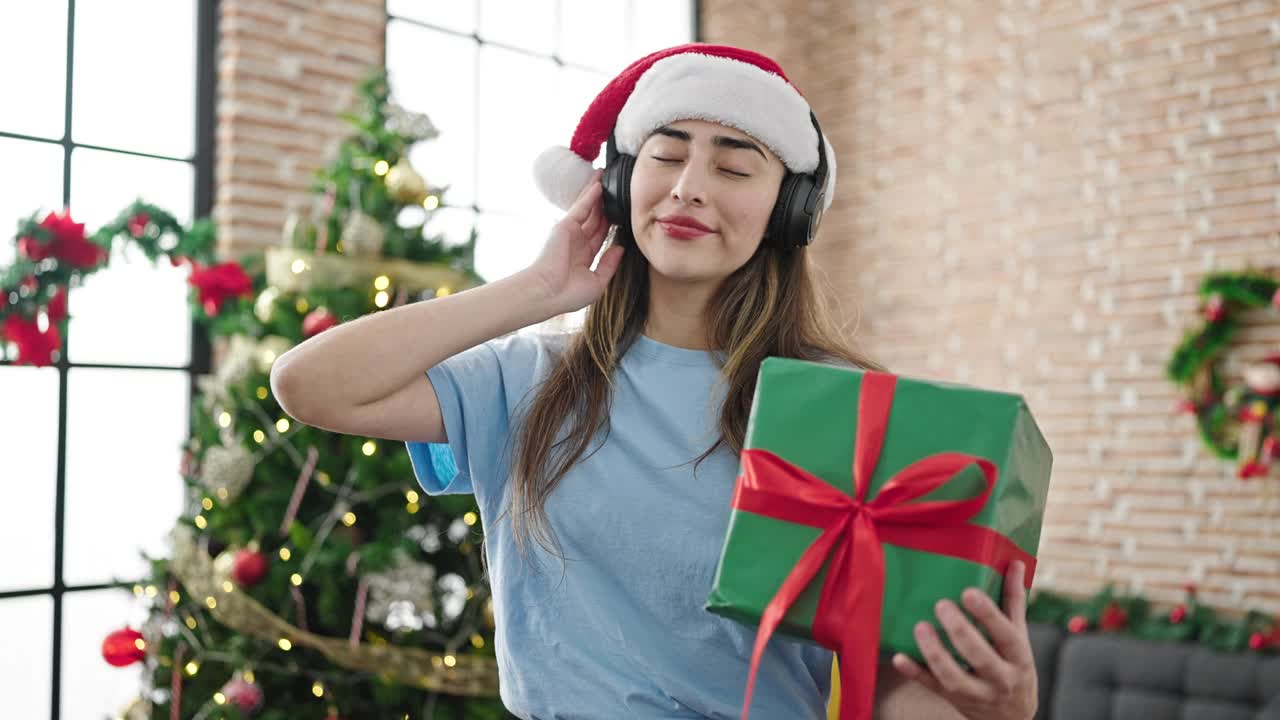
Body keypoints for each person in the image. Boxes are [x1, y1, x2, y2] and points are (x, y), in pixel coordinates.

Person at [271, 43, 1038, 720]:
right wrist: (538, 289)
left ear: (788, 211)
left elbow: (898, 672)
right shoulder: (530, 379)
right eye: (667, 156)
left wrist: (989, 710)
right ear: (617, 185)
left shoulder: (850, 412)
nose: (689, 188)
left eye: (735, 164)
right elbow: (310, 385)